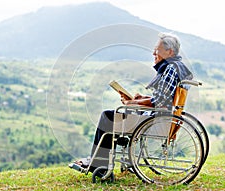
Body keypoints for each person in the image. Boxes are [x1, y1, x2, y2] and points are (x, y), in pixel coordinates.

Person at [69, 32, 193, 172]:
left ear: (169, 52)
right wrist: (139, 99)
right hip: (159, 117)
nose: (153, 53)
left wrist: (133, 104)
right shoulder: (176, 66)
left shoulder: (170, 68)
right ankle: (100, 162)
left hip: (156, 121)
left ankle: (99, 165)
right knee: (116, 115)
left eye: (157, 50)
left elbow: (160, 100)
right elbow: (163, 98)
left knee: (108, 116)